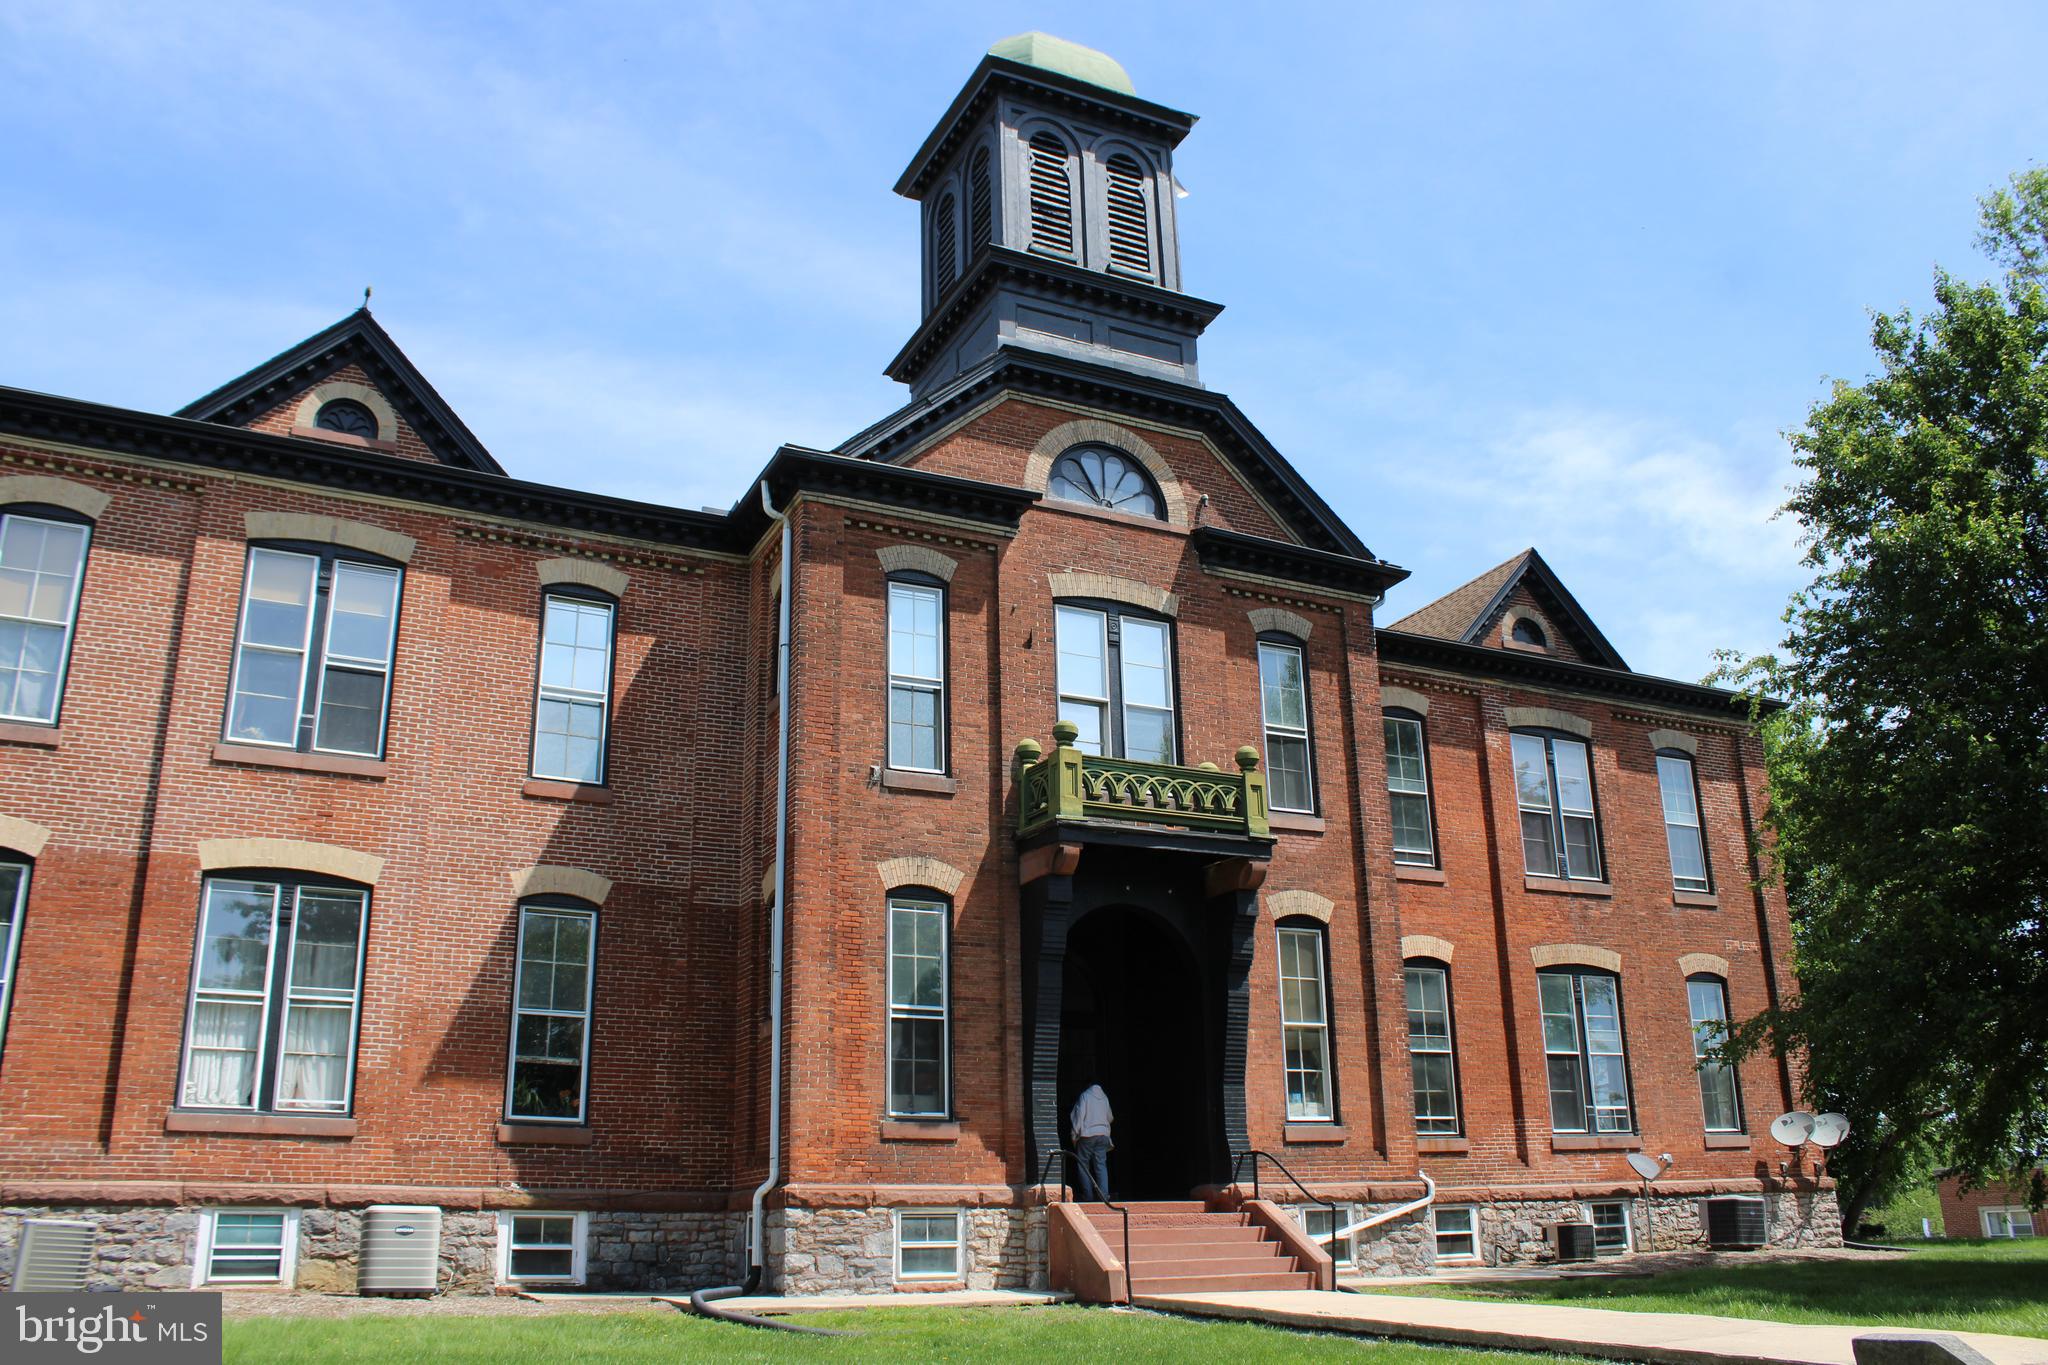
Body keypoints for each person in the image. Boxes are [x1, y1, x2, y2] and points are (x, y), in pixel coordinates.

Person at [1069, 1083, 1114, 1201]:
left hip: (1087, 1134)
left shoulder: (1085, 1096)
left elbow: (1079, 1116)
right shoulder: (1104, 1098)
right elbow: (1110, 1117)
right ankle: (1104, 1196)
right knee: (1101, 1165)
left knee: (1083, 1164)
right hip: (1103, 1135)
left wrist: (1074, 1134)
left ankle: (1088, 1196)